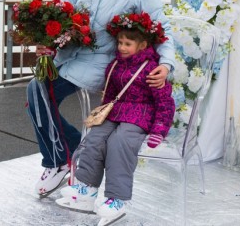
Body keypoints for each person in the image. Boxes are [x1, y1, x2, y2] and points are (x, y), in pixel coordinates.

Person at [25, 0, 174, 205]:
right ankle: (66, 153)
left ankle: (59, 158)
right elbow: (63, 13)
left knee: (40, 91)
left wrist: (166, 64)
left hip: (103, 62)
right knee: (36, 91)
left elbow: (161, 27)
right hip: (69, 55)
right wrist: (49, 41)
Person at [56, 12, 175, 224]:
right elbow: (110, 95)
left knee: (119, 143)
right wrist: (102, 113)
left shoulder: (151, 69)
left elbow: (165, 102)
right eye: (120, 42)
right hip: (116, 111)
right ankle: (86, 188)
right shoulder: (115, 65)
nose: (121, 47)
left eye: (128, 43)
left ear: (142, 45)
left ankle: (117, 199)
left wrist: (159, 130)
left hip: (140, 114)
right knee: (96, 138)